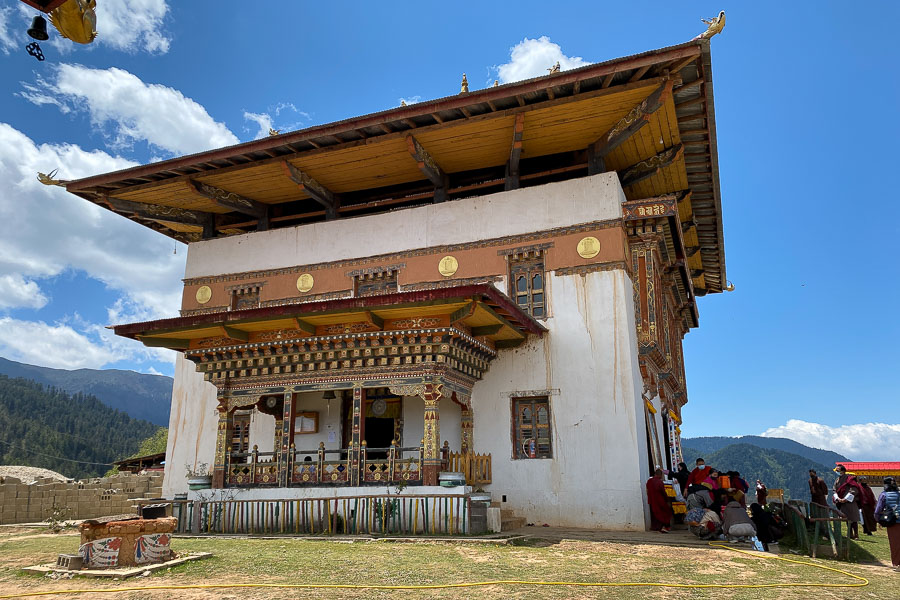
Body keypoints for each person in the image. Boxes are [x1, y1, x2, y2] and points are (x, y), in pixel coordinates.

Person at [874, 477, 900, 570]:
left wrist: (879, 520)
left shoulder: (884, 495)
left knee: (895, 544)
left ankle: (897, 563)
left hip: (892, 522)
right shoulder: (899, 494)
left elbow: (878, 510)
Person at [833, 465, 862, 540]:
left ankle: (856, 535)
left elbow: (854, 490)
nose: (837, 472)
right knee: (846, 518)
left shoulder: (849, 479)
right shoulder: (837, 480)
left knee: (853, 519)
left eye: (838, 470)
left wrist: (845, 499)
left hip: (850, 502)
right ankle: (850, 534)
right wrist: (838, 498)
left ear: (843, 471)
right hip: (842, 502)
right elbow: (834, 490)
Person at [646, 468, 673, 533]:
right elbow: (663, 492)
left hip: (652, 500)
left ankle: (655, 527)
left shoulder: (649, 481)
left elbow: (647, 490)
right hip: (660, 501)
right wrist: (667, 500)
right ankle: (664, 527)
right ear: (660, 475)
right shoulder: (659, 482)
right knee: (665, 513)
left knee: (655, 514)